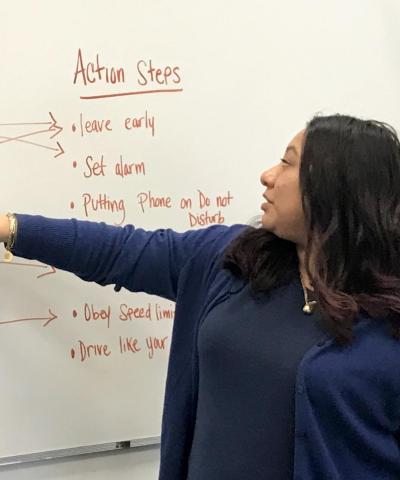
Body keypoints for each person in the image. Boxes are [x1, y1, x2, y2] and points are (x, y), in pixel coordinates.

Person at [1, 113, 400, 480]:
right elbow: (118, 251)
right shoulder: (230, 262)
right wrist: (10, 227)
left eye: (288, 163)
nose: (268, 175)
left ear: (335, 187)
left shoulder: (388, 317)